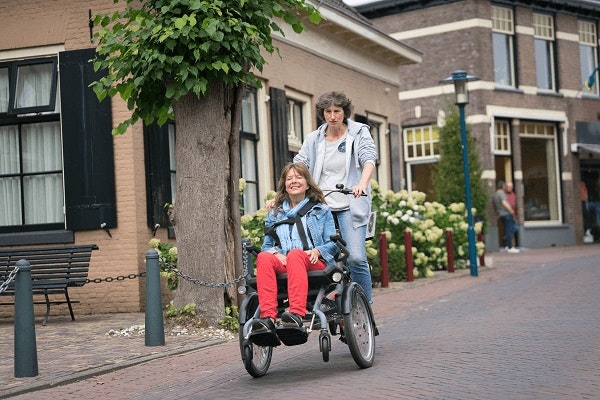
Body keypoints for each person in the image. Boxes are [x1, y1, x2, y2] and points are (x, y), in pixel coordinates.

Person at [294, 91, 377, 302]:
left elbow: (368, 159)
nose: (332, 116)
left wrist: (361, 184)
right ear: (323, 113)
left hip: (350, 203)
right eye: (328, 111)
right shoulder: (314, 139)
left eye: (337, 111)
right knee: (320, 258)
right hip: (322, 206)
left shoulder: (358, 133)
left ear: (344, 112)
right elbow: (299, 163)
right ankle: (328, 302)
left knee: (357, 258)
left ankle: (364, 306)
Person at [251, 162, 338, 345]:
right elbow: (267, 245)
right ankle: (267, 319)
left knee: (296, 254)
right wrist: (275, 254)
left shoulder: (321, 210)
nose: (294, 181)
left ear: (307, 183)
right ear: (284, 185)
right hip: (285, 261)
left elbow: (334, 244)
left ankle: (296, 315)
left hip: (314, 261)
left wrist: (317, 250)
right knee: (264, 257)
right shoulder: (275, 213)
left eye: (298, 177)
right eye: (289, 179)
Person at [493, 180, 519, 253]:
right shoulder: (501, 194)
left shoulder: (495, 194)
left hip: (500, 214)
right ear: (503, 187)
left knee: (506, 230)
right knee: (509, 230)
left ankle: (507, 246)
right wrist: (511, 210)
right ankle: (510, 247)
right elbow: (504, 202)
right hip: (506, 214)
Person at [504, 181, 519, 247]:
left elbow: (514, 204)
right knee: (509, 230)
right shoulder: (504, 195)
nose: (509, 188)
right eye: (508, 187)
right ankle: (508, 244)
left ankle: (507, 240)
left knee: (515, 228)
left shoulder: (513, 195)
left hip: (513, 215)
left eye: (510, 187)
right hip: (508, 214)